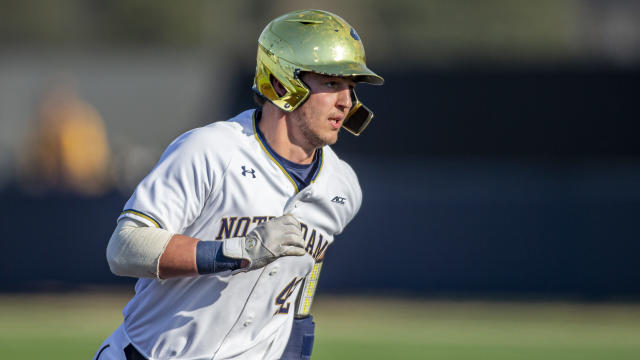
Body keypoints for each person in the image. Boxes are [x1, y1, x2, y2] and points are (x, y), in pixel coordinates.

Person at [94, 9, 383, 360]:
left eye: (351, 88)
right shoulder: (211, 149)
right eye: (332, 84)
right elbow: (124, 248)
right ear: (281, 84)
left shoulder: (343, 186)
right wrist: (238, 251)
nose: (346, 102)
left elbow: (300, 300)